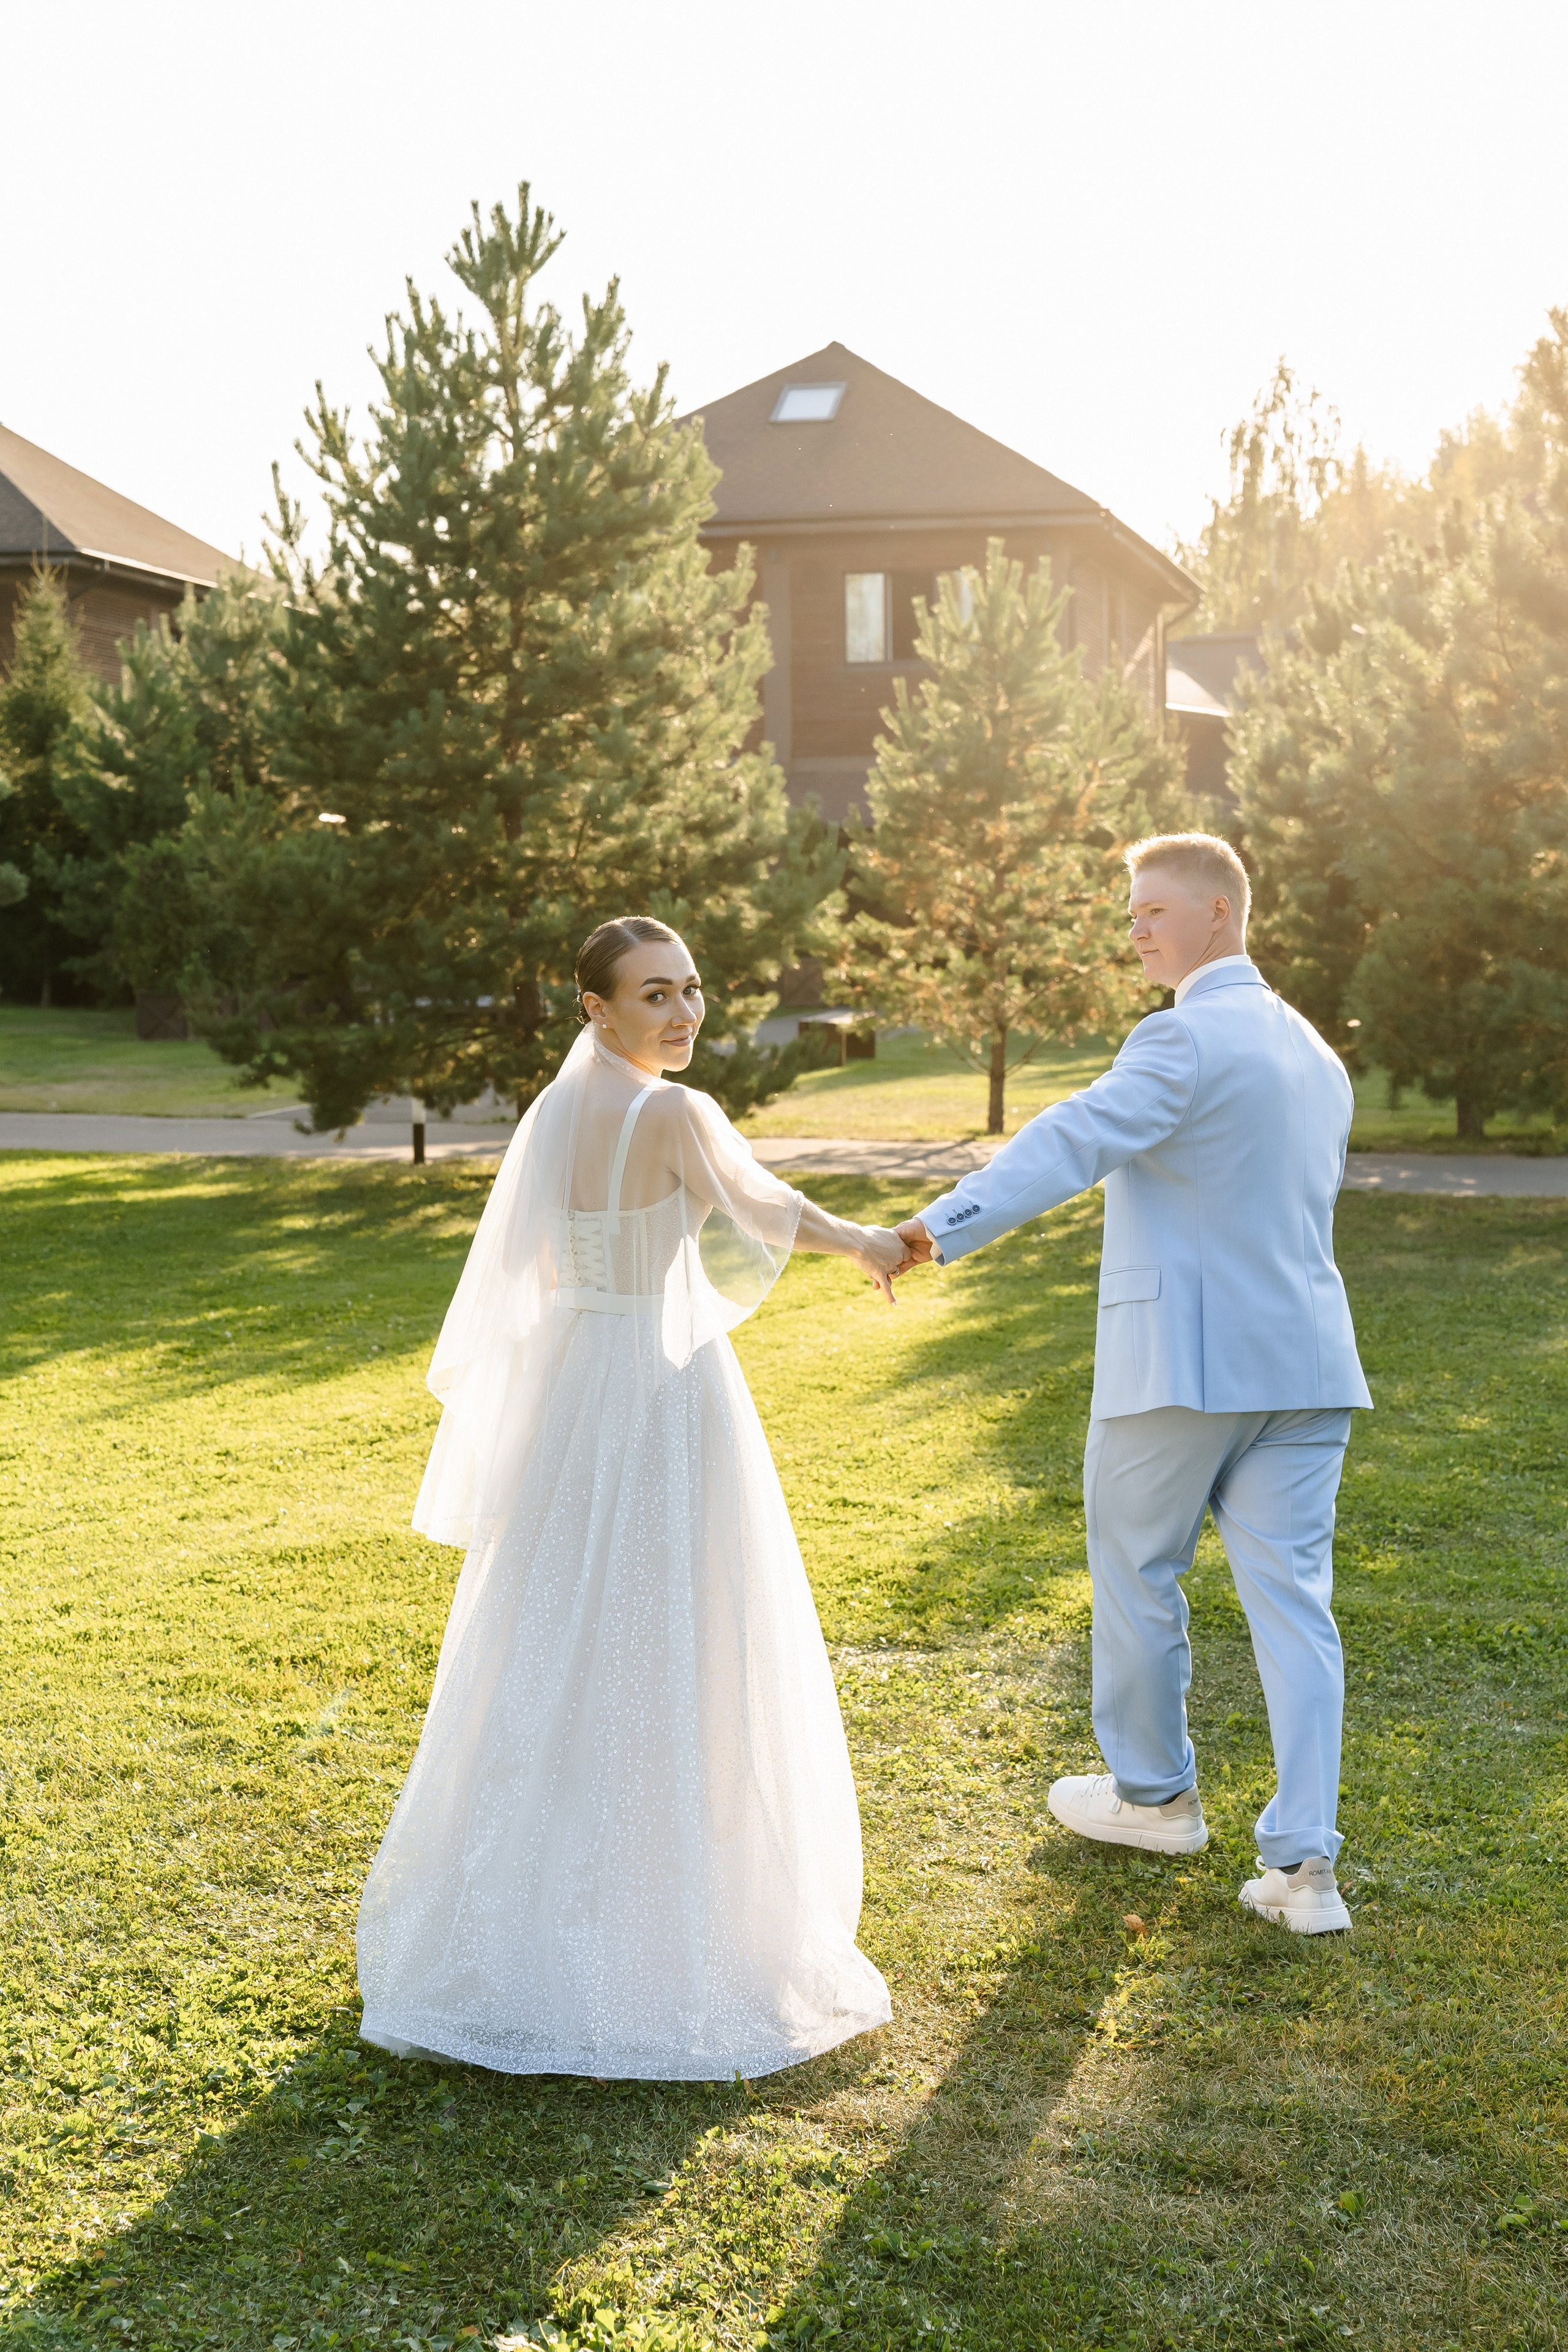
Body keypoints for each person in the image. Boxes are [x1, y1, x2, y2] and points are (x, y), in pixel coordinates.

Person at [358, 917, 903, 2078]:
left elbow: (536, 1268)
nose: (685, 1015)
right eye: (655, 995)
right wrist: (868, 1242)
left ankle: (529, 1910)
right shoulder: (673, 1113)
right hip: (662, 1388)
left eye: (694, 991)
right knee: (681, 1634)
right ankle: (676, 1922)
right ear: (594, 1008)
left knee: (561, 1634)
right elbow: (764, 1210)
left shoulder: (556, 1112)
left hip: (578, 1390)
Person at [894, 834, 1371, 1935]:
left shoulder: (1183, 1038)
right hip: (1307, 1368)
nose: (1137, 930)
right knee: (1298, 1612)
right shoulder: (1316, 1053)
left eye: (1154, 909)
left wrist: (935, 1228)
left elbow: (1073, 1138)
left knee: (1136, 1569)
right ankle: (1308, 1874)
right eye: (1131, 913)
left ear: (1220, 912)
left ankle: (1155, 1799)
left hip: (1185, 1369)